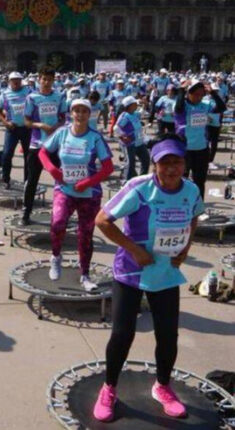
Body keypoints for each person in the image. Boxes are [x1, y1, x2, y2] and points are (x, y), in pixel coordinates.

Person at [93, 135, 203, 422]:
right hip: (131, 271)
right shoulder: (139, 188)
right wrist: (134, 250)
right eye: (164, 162)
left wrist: (185, 250)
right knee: (122, 334)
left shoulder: (190, 190)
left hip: (166, 273)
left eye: (176, 161)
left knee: (168, 336)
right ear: (154, 164)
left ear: (184, 163)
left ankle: (163, 387)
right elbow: (103, 220)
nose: (171, 168)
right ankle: (109, 388)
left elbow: (194, 217)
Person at [40, 99, 113, 291]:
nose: (80, 115)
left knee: (85, 234)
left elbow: (108, 167)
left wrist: (88, 182)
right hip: (64, 189)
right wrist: (54, 171)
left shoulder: (95, 138)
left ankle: (85, 275)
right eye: (76, 111)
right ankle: (55, 257)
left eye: (84, 111)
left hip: (89, 193)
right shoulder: (62, 133)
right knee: (58, 222)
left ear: (90, 115)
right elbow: (42, 153)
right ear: (71, 113)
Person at [22, 66, 67, 225]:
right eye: (44, 79)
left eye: (50, 79)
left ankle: (61, 213)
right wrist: (41, 125)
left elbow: (63, 118)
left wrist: (58, 126)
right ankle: (26, 212)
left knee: (61, 179)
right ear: (39, 80)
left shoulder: (59, 96)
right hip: (37, 145)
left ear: (54, 80)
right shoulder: (32, 98)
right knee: (32, 180)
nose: (47, 82)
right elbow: (26, 121)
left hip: (55, 145)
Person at [174, 79, 226, 199]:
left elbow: (221, 108)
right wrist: (182, 90)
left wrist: (213, 93)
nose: (199, 97)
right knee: (181, 179)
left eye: (201, 94)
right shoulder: (183, 105)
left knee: (200, 181)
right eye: (196, 94)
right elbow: (178, 108)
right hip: (184, 149)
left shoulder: (205, 105)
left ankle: (199, 207)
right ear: (189, 93)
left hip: (201, 149)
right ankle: (181, 205)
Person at [0, 72, 32, 189]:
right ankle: (6, 179)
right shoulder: (5, 94)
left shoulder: (28, 92)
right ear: (9, 81)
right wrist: (5, 123)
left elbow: (36, 107)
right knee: (7, 154)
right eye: (13, 80)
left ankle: (27, 180)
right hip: (12, 128)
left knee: (28, 156)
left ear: (21, 81)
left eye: (18, 80)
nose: (16, 82)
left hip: (26, 128)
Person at [114, 96, 150, 181]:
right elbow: (116, 128)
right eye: (134, 104)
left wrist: (144, 104)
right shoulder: (124, 116)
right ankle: (126, 182)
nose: (136, 105)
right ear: (129, 105)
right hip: (129, 144)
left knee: (146, 159)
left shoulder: (135, 114)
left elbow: (142, 112)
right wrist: (122, 136)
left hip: (139, 142)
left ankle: (141, 179)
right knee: (130, 164)